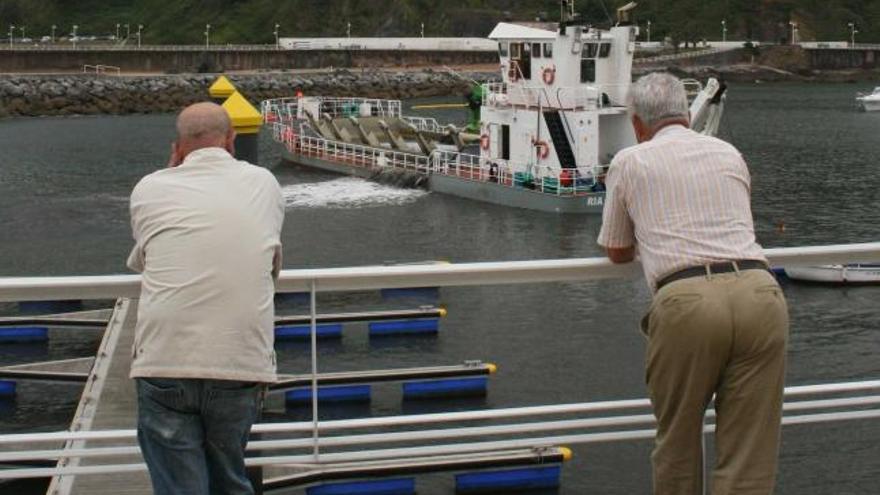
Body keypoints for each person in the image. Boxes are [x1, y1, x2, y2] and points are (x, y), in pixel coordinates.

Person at [597, 73, 789, 495]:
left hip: (688, 303)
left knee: (678, 442)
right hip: (760, 292)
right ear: (686, 115)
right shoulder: (728, 153)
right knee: (749, 451)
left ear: (637, 123)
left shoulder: (630, 161)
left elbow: (616, 249)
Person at [127, 102, 285, 495]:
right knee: (230, 481)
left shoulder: (150, 187)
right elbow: (269, 262)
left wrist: (169, 171)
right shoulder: (265, 183)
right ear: (232, 140)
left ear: (177, 147)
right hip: (239, 360)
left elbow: (147, 260)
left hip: (165, 359)